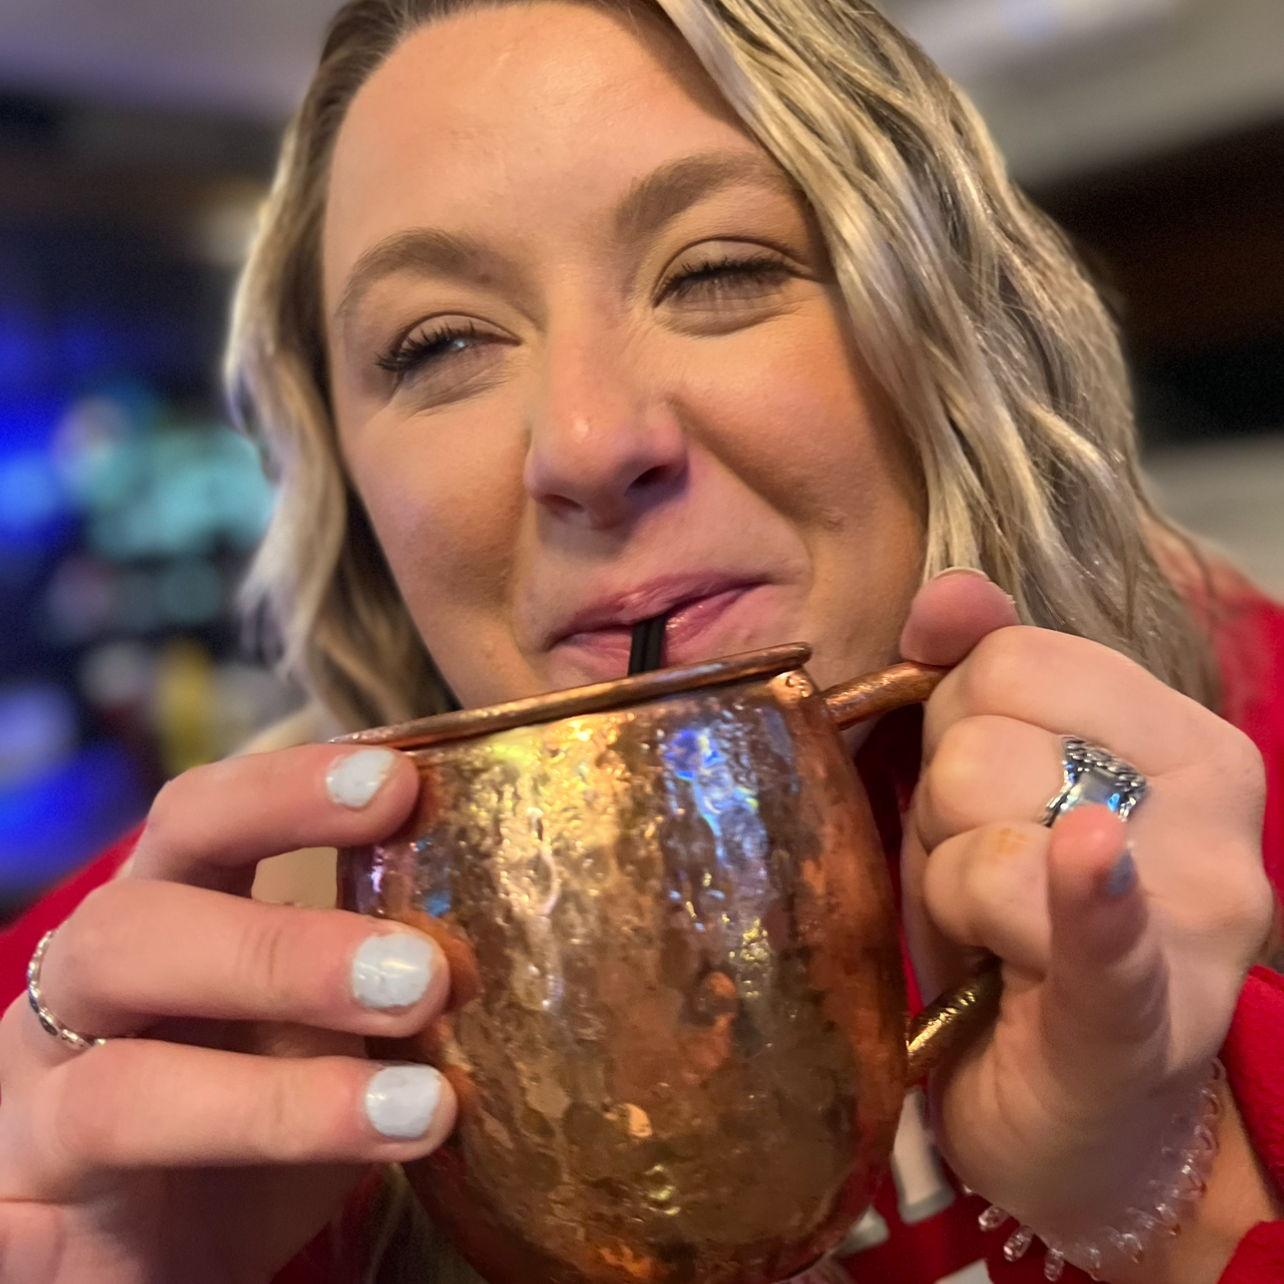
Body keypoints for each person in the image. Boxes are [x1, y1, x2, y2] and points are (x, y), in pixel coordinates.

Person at [1, 0, 1281, 1280]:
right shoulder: (132, 1029)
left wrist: (1163, 1190)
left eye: (716, 271)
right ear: (347, 486)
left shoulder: (1239, 747)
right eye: (439, 344)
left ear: (954, 331)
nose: (587, 445)